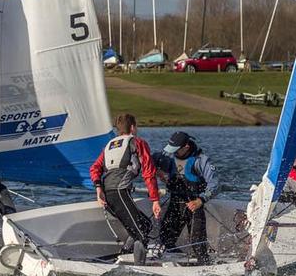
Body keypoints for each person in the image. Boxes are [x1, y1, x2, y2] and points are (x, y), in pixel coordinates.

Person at [88, 113, 162, 264]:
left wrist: (98, 189)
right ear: (133, 127)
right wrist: (155, 200)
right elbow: (148, 173)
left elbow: (94, 168)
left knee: (144, 226)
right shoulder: (138, 142)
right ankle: (140, 271)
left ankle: (124, 255)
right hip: (120, 194)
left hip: (108, 195)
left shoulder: (109, 146)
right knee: (141, 233)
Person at [152, 131, 220, 264]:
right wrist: (156, 171)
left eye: (176, 150)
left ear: (186, 147)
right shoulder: (167, 158)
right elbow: (148, 161)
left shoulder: (201, 161)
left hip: (194, 206)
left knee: (197, 244)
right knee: (165, 240)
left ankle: (204, 266)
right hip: (175, 204)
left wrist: (201, 200)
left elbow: (215, 184)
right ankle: (175, 261)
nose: (173, 153)